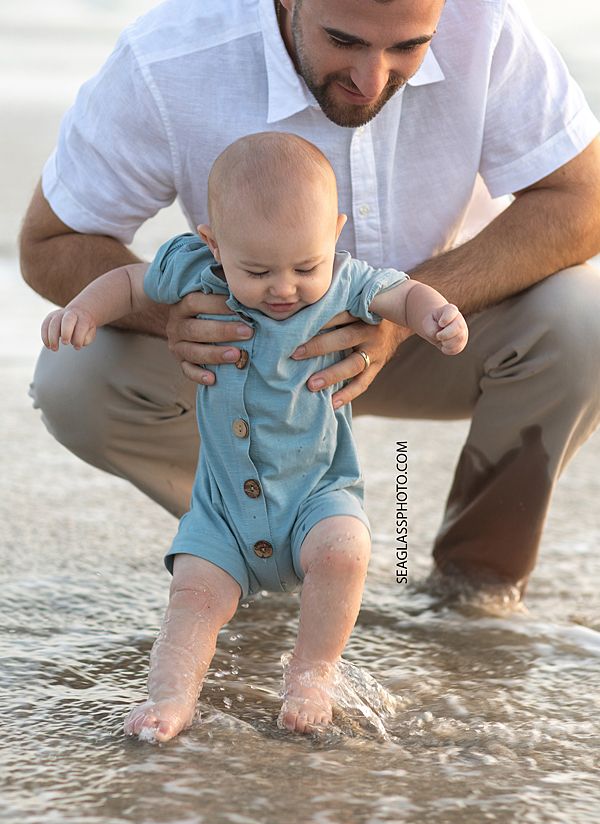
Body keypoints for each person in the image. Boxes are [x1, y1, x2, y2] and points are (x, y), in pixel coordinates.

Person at [20, 0, 600, 607]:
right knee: (75, 375)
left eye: (408, 46)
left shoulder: (488, 25)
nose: (372, 80)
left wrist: (400, 321)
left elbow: (582, 200)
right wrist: (175, 316)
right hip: (241, 352)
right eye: (344, 40)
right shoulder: (167, 57)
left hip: (432, 323)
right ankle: (259, 541)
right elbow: (49, 242)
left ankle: (474, 588)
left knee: (583, 317)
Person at [40, 133, 468, 740]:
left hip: (317, 496)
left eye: (305, 266)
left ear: (336, 234)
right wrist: (83, 310)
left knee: (345, 553)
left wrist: (434, 315)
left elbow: (402, 294)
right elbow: (132, 284)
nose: (284, 287)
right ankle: (168, 699)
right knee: (192, 595)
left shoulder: (347, 282)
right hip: (222, 514)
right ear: (213, 244)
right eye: (258, 270)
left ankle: (313, 673)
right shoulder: (191, 266)